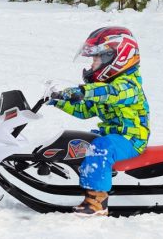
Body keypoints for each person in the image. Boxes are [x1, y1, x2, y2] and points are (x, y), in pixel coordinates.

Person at [47, 26, 150, 216]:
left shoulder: (128, 86)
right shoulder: (105, 87)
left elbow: (110, 93)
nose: (92, 64)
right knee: (81, 141)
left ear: (117, 58)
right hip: (112, 136)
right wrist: (59, 101)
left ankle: (97, 202)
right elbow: (84, 110)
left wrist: (83, 91)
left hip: (131, 140)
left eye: (96, 58)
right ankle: (91, 182)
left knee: (100, 147)